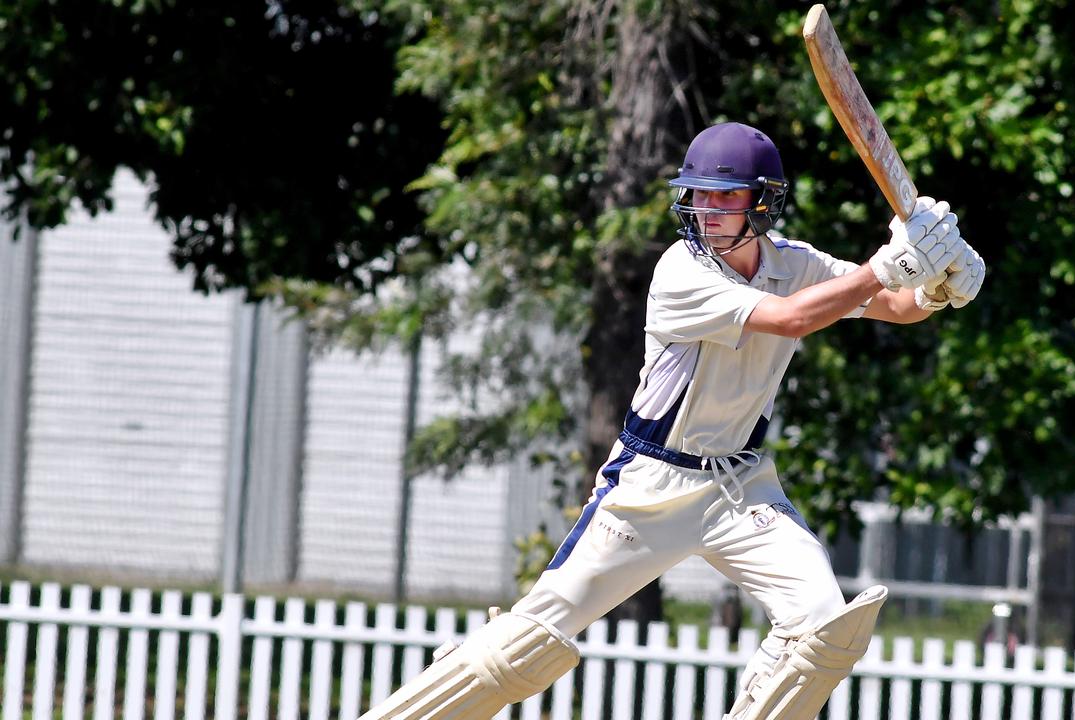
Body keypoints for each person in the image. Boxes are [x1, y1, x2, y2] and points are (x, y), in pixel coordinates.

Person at [360, 121, 986, 720]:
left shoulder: (793, 261)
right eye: (699, 195)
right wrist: (888, 264)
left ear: (762, 204)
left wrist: (938, 284)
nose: (707, 210)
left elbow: (896, 307)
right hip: (651, 488)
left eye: (725, 196)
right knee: (528, 640)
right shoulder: (681, 271)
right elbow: (793, 318)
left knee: (824, 628)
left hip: (740, 487)